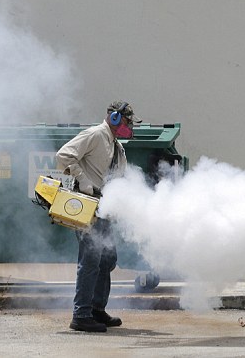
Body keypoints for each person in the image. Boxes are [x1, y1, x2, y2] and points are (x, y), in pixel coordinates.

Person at [56, 100, 141, 332]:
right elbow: (64, 156)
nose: (129, 125)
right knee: (91, 261)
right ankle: (81, 315)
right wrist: (83, 181)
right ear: (114, 118)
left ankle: (96, 309)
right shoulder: (94, 134)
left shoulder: (116, 146)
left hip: (105, 210)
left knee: (107, 260)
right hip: (89, 207)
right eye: (126, 120)